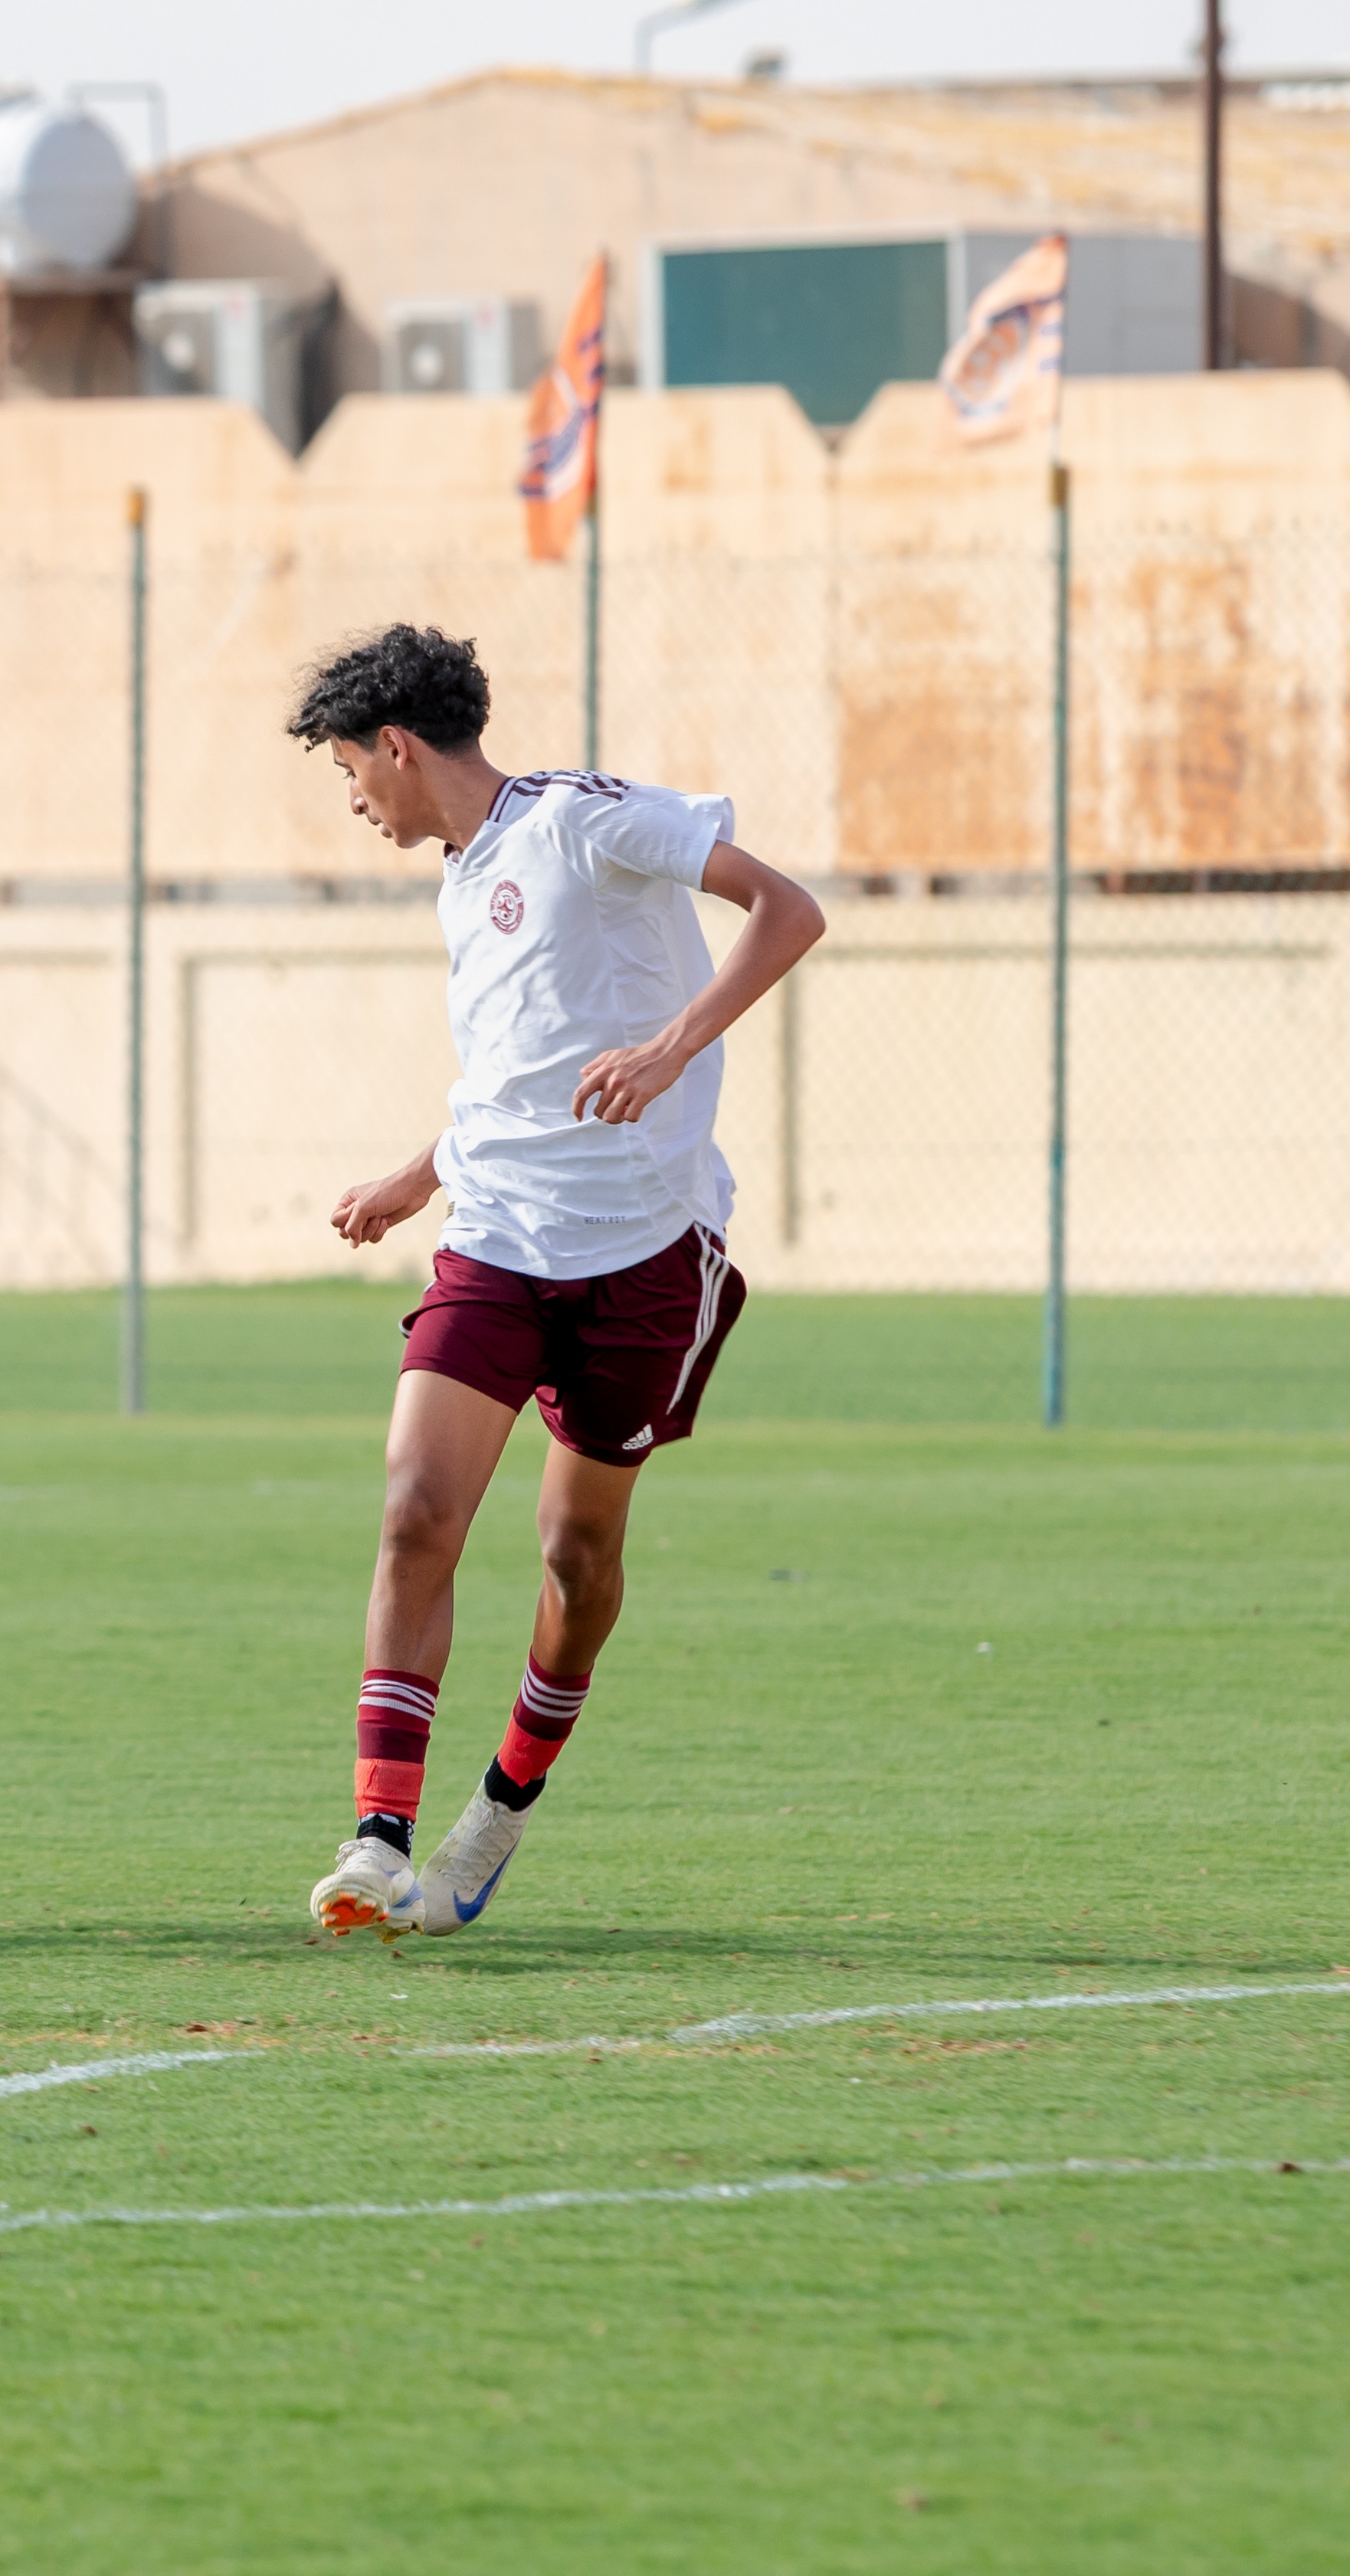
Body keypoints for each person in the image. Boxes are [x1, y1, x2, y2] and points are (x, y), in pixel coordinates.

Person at [289, 624, 824, 1942]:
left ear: (398, 748)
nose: (352, 795)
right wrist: (422, 1174)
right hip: (495, 1242)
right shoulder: (457, 885)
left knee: (575, 1559)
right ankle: (376, 1837)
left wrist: (667, 1046)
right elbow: (516, 1067)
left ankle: (503, 1807)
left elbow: (786, 910)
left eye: (351, 769)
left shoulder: (586, 823)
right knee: (417, 1509)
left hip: (645, 1258)